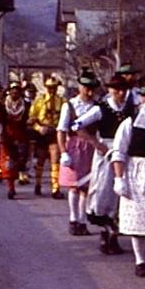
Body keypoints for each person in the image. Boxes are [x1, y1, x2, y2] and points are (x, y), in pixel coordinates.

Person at [72, 73, 136, 255]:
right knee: (103, 191)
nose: (120, 93)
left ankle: (114, 235)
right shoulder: (101, 108)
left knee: (121, 193)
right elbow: (76, 125)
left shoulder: (131, 108)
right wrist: (96, 143)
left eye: (123, 90)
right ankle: (104, 233)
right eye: (116, 90)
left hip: (125, 152)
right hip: (107, 151)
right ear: (110, 90)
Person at [111, 74, 145, 276]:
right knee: (136, 217)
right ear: (140, 98)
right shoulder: (129, 123)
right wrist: (119, 178)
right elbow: (118, 151)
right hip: (136, 172)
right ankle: (140, 260)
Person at [57, 71, 99, 235]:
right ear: (80, 87)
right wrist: (63, 152)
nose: (89, 92)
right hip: (74, 147)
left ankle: (82, 220)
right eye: (86, 88)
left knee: (86, 186)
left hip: (91, 147)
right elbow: (61, 130)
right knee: (74, 185)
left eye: (92, 88)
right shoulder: (70, 105)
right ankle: (73, 219)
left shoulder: (97, 106)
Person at [28, 76, 65, 198]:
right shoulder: (39, 101)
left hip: (55, 132)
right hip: (42, 134)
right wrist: (39, 128)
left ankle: (55, 188)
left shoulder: (62, 101)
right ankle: (38, 184)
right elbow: (31, 119)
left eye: (54, 87)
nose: (52, 90)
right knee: (41, 160)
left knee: (55, 159)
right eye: (49, 87)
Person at [0, 82, 31, 199]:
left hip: (21, 137)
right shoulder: (2, 105)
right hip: (7, 137)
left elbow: (30, 118)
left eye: (17, 91)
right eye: (12, 90)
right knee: (9, 163)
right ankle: (11, 188)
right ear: (9, 92)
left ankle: (20, 176)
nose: (14, 93)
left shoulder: (26, 105)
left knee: (20, 161)